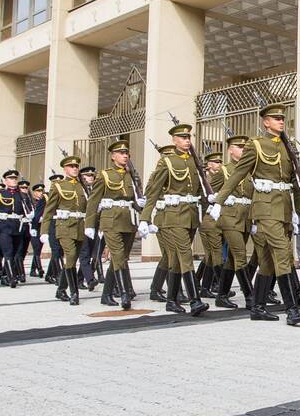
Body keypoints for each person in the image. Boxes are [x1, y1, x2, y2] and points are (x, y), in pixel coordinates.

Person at [212, 103, 300, 325]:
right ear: (266, 122)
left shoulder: (288, 146)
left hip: (283, 207)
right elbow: (238, 174)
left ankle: (258, 307)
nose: (281, 121)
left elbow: (294, 180)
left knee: (266, 260)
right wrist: (219, 200)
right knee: (283, 254)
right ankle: (292, 309)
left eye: (282, 118)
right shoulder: (256, 145)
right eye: (276, 118)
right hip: (265, 208)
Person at [138, 127, 207, 315]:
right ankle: (195, 300)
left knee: (176, 260)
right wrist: (145, 218)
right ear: (174, 140)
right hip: (173, 216)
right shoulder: (167, 162)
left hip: (191, 215)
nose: (187, 140)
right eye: (183, 137)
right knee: (185, 255)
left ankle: (171, 300)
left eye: (188, 137)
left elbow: (199, 191)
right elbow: (152, 193)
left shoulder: (194, 162)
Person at [86, 141, 144, 311]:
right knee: (118, 256)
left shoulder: (132, 176)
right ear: (113, 156)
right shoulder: (104, 175)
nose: (125, 155)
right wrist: (90, 224)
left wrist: (140, 206)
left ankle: (106, 294)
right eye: (120, 153)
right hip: (110, 220)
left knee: (122, 258)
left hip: (128, 220)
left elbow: (136, 199)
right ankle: (125, 294)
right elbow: (93, 201)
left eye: (126, 153)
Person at [213, 135, 255, 309]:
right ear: (230, 150)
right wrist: (217, 203)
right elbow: (209, 192)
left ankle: (221, 295)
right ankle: (251, 297)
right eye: (239, 147)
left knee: (231, 258)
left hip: (245, 217)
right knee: (240, 255)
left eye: (245, 147)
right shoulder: (223, 170)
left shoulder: (251, 169)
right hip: (229, 217)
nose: (243, 149)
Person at [41, 157, 87, 305]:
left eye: (76, 166)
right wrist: (44, 231)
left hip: (80, 226)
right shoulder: (58, 186)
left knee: (73, 259)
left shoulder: (82, 187)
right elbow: (49, 210)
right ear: (65, 169)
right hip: (64, 226)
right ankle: (74, 293)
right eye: (71, 166)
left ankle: (61, 289)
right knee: (71, 255)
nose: (74, 168)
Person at [0, 170, 29, 288]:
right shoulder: (0, 194)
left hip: (18, 228)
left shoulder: (22, 195)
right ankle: (11, 278)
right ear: (5, 181)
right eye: (11, 179)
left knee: (16, 252)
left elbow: (26, 210)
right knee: (8, 252)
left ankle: (6, 276)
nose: (14, 180)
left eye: (15, 179)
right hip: (4, 227)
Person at [198, 151, 226, 299]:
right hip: (207, 219)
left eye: (220, 162)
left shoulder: (217, 177)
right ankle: (221, 285)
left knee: (210, 255)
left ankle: (203, 286)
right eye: (216, 162)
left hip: (217, 219)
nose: (219, 164)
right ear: (209, 164)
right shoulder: (205, 179)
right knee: (215, 254)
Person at [28, 183, 46, 278]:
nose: (40, 193)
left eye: (42, 191)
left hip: (41, 227)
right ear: (34, 192)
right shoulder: (30, 201)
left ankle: (32, 269)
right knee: (36, 248)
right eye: (38, 191)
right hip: (32, 227)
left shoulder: (44, 201)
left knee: (38, 248)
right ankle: (39, 268)